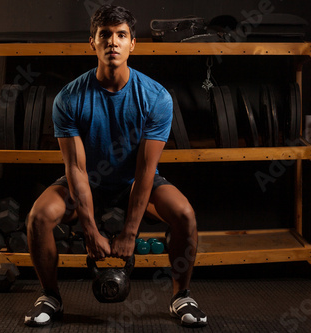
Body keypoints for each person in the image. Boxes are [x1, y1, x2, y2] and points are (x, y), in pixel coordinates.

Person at [24, 5, 207, 328]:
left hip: (133, 182)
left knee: (185, 214)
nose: (113, 42)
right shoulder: (68, 98)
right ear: (92, 43)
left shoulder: (155, 98)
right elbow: (76, 169)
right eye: (105, 35)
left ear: (132, 43)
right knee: (39, 216)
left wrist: (130, 234)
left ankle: (182, 295)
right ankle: (50, 295)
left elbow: (145, 171)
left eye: (121, 35)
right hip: (87, 180)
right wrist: (90, 230)